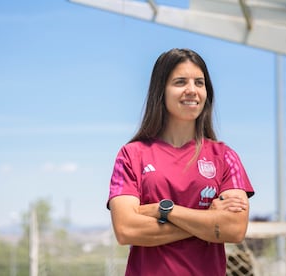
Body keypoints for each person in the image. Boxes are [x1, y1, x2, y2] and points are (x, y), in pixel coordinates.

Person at [107, 48, 255, 276]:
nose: (191, 90)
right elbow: (126, 229)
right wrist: (207, 219)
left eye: (199, 82)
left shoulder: (225, 157)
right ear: (160, 91)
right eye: (180, 82)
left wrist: (163, 210)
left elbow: (234, 229)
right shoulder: (131, 155)